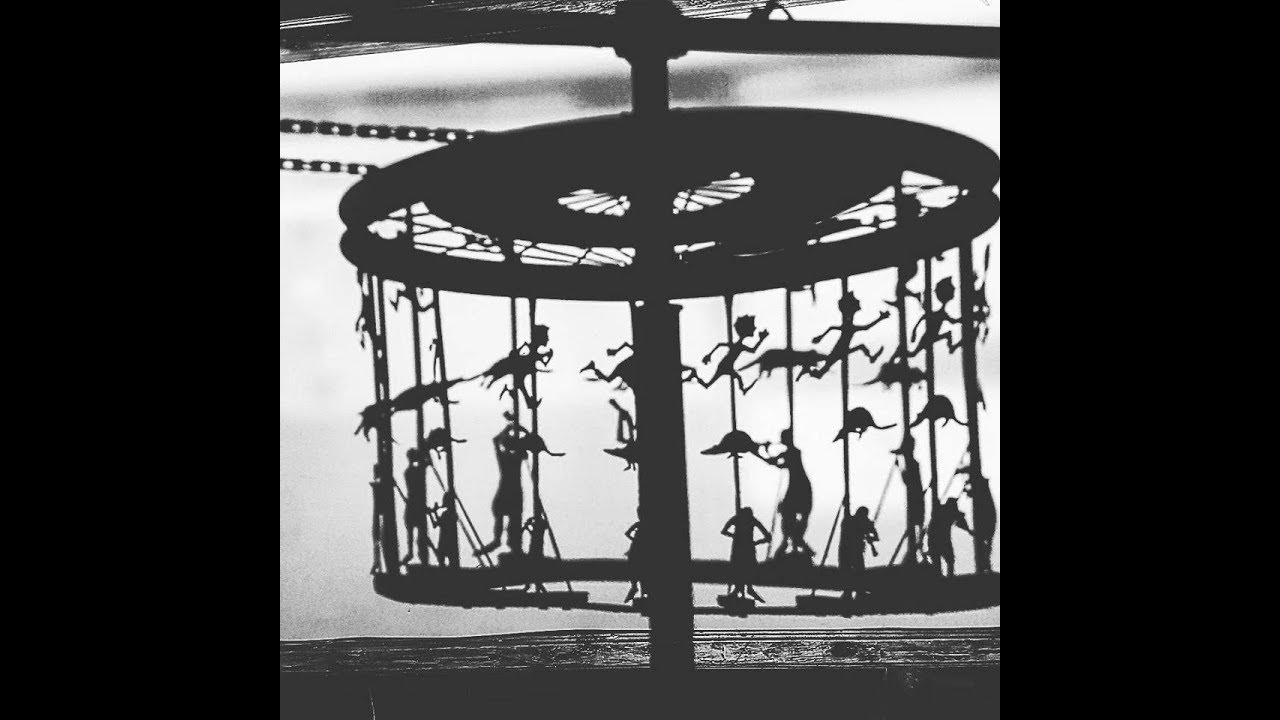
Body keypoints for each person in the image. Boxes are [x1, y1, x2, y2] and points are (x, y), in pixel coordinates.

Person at [477, 412, 529, 556]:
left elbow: (496, 441)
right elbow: (497, 441)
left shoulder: (507, 457)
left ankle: (505, 543)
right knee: (507, 516)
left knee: (510, 518)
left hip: (509, 491)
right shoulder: (513, 457)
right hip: (511, 491)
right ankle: (501, 542)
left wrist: (510, 429)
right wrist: (514, 428)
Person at [757, 429, 814, 560]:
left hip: (799, 488)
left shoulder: (792, 453)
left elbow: (774, 463)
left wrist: (763, 451)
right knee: (788, 517)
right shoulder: (791, 453)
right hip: (797, 487)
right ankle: (794, 543)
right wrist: (765, 451)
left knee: (789, 515)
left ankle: (794, 543)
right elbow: (776, 463)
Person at [811, 292, 889, 378]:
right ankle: (871, 357)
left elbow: (832, 328)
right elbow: (866, 327)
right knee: (830, 361)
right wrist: (880, 318)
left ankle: (871, 357)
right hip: (841, 349)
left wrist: (821, 337)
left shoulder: (850, 327)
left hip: (841, 349)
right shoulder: (849, 327)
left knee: (830, 361)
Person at [684, 315, 769, 393]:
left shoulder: (739, 345)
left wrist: (710, 354)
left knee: (734, 378)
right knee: (710, 384)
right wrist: (761, 340)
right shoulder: (739, 346)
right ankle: (695, 375)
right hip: (725, 366)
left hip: (727, 366)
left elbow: (720, 345)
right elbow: (753, 350)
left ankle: (695, 375)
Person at [721, 506, 771, 603]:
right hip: (741, 548)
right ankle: (739, 590)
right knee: (739, 568)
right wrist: (736, 536)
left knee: (746, 568)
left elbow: (768, 537)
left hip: (746, 548)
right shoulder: (739, 519)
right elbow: (724, 531)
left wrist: (755, 542)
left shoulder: (747, 519)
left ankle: (746, 589)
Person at [891, 435, 926, 563]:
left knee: (916, 524)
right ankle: (917, 551)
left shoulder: (912, 464)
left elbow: (907, 481)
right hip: (917, 497)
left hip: (915, 498)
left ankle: (916, 552)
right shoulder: (913, 463)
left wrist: (899, 468)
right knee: (917, 525)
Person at [838, 506, 879, 600]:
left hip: (848, 550)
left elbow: (876, 537)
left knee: (851, 571)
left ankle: (853, 593)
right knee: (854, 571)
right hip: (851, 550)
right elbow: (876, 537)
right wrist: (870, 536)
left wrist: (870, 536)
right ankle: (855, 593)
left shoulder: (852, 520)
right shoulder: (861, 522)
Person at [402, 448, 434, 565]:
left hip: (412, 505)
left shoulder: (408, 472)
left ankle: (412, 554)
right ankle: (416, 555)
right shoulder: (416, 471)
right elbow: (429, 462)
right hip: (417, 506)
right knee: (419, 534)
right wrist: (426, 452)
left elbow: (427, 463)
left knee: (414, 534)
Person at [928, 498, 972, 576]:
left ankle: (945, 577)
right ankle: (948, 578)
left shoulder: (942, 510)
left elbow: (960, 520)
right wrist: (969, 530)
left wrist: (968, 530)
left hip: (936, 539)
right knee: (948, 560)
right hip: (939, 540)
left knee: (945, 560)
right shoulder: (947, 512)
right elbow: (960, 521)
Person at [430, 491, 459, 568]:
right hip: (449, 542)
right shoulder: (451, 514)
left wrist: (433, 513)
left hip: (445, 541)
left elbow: (437, 524)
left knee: (442, 561)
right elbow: (437, 524)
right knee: (448, 561)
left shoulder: (447, 514)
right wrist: (434, 513)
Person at [624, 506, 646, 603]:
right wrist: (635, 540)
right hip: (638, 549)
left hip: (638, 549)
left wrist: (635, 540)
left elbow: (627, 533)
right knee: (637, 569)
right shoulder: (640, 524)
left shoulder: (639, 524)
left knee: (638, 569)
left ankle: (636, 589)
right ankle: (637, 588)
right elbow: (627, 533)